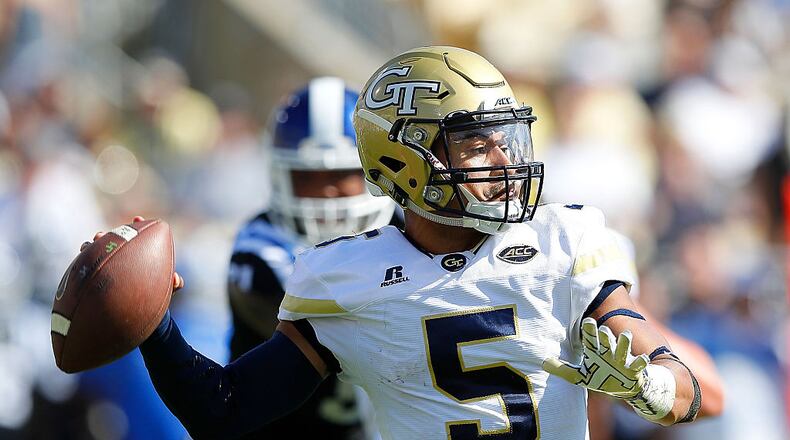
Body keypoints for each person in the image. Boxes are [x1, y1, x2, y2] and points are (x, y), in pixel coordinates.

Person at [89, 46, 707, 439]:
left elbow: (678, 380)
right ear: (405, 157)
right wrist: (154, 327)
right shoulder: (341, 278)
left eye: (505, 139)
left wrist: (652, 388)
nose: (502, 160)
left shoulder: (566, 237)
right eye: (474, 143)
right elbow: (225, 413)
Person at [225, 76, 395, 439]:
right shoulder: (258, 249)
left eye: (343, 175)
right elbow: (334, 313)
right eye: (310, 178)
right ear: (280, 176)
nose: (328, 193)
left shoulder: (406, 224)